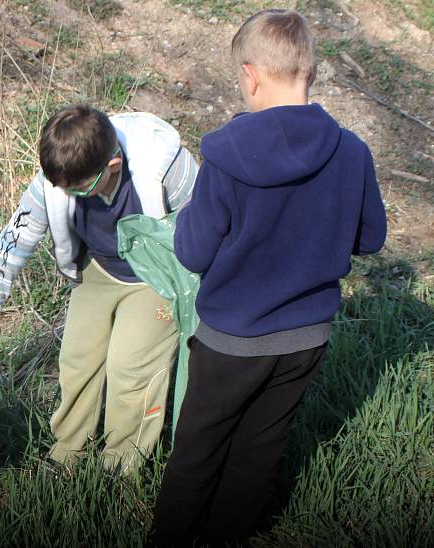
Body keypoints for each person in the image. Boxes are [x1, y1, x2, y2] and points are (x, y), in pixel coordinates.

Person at [149, 9, 387, 546]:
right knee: (261, 446)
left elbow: (191, 251)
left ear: (251, 76)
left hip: (232, 338)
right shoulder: (352, 151)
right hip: (307, 337)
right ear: (311, 73)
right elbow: (370, 238)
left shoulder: (225, 156)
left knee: (199, 447)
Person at [0, 104, 198, 473]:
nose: (67, 196)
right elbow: (13, 242)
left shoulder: (165, 166)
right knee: (77, 361)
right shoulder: (59, 177)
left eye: (79, 192)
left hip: (158, 276)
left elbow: (209, 225)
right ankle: (68, 453)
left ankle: (121, 466)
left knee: (130, 368)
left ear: (111, 167)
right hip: (98, 268)